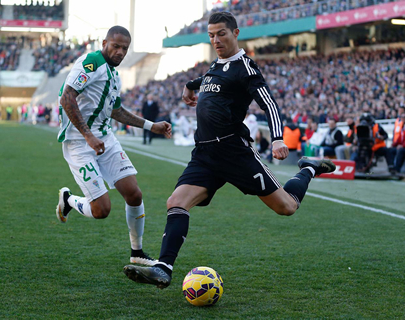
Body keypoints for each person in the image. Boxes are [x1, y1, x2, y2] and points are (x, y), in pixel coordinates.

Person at [123, 12, 336, 289]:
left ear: (236, 33)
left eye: (221, 33)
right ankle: (164, 268)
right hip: (205, 155)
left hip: (235, 152)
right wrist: (190, 85)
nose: (216, 40)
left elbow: (269, 104)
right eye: (211, 35)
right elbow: (210, 78)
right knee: (176, 201)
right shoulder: (217, 64)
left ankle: (308, 168)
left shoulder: (246, 68)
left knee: (287, 207)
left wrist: (277, 139)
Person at [55, 26, 172, 267]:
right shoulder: (91, 61)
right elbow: (67, 96)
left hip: (105, 138)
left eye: (124, 49)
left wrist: (151, 126)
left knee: (134, 193)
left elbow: (116, 111)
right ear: (105, 43)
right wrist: (88, 136)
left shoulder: (113, 75)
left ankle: (137, 252)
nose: (120, 52)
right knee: (101, 210)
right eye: (115, 46)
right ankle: (68, 201)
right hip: (79, 142)